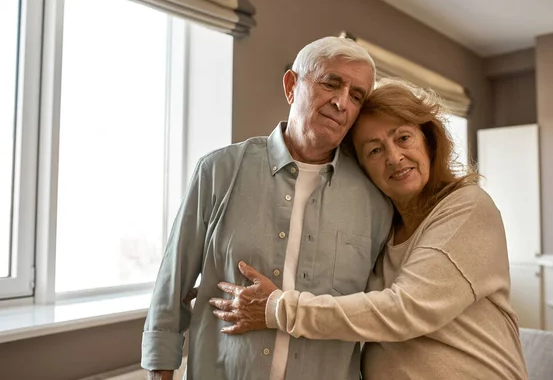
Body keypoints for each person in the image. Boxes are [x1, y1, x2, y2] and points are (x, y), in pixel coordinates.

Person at [208, 79, 529, 379]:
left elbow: (405, 310)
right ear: (361, 169)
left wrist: (278, 307)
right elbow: (341, 293)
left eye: (403, 137)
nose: (394, 157)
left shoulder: (467, 207)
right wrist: (221, 277)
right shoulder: (381, 229)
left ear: (428, 141)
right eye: (374, 150)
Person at [141, 36, 394, 380]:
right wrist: (160, 372)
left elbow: (379, 312)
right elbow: (172, 287)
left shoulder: (376, 201)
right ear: (292, 86)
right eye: (331, 83)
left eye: (356, 96)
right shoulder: (219, 171)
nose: (341, 102)